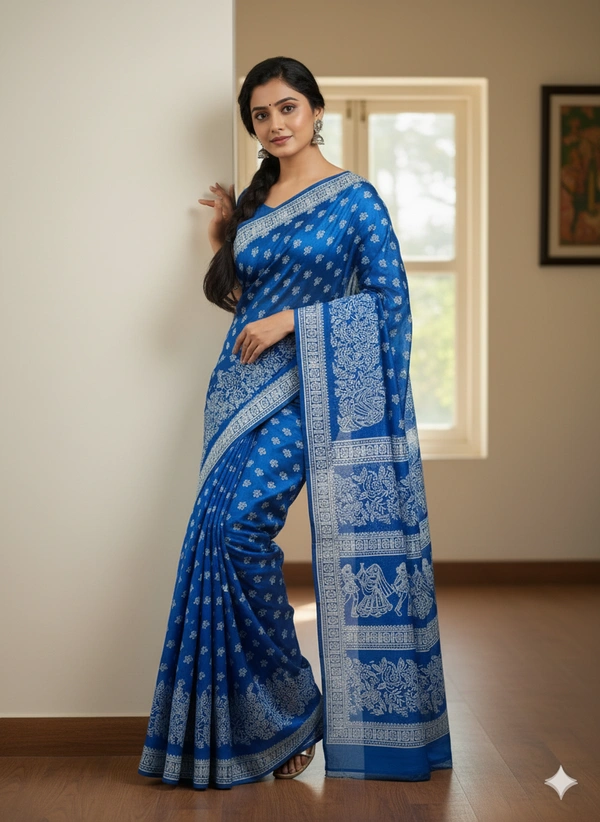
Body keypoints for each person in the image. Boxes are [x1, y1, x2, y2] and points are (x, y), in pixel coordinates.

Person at [138, 56, 452, 790]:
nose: (275, 124)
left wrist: (292, 322)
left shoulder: (355, 200)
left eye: (287, 108)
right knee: (215, 541)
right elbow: (242, 304)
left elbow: (390, 304)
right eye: (261, 115)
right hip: (235, 392)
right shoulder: (256, 204)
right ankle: (274, 719)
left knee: (240, 531)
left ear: (316, 110)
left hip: (308, 390)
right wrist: (223, 240)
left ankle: (294, 707)